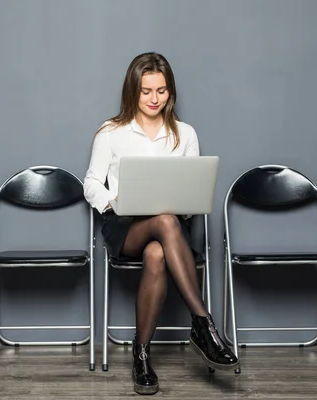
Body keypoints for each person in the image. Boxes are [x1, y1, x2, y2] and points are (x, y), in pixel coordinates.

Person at [84, 52, 238, 395]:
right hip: (126, 226)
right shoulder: (111, 132)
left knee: (159, 248)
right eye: (146, 91)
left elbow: (193, 191)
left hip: (170, 232)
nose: (154, 99)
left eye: (162, 91)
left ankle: (140, 356)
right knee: (163, 225)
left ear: (171, 92)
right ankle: (203, 324)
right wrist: (113, 200)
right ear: (132, 91)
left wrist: (180, 205)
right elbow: (91, 182)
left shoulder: (185, 134)